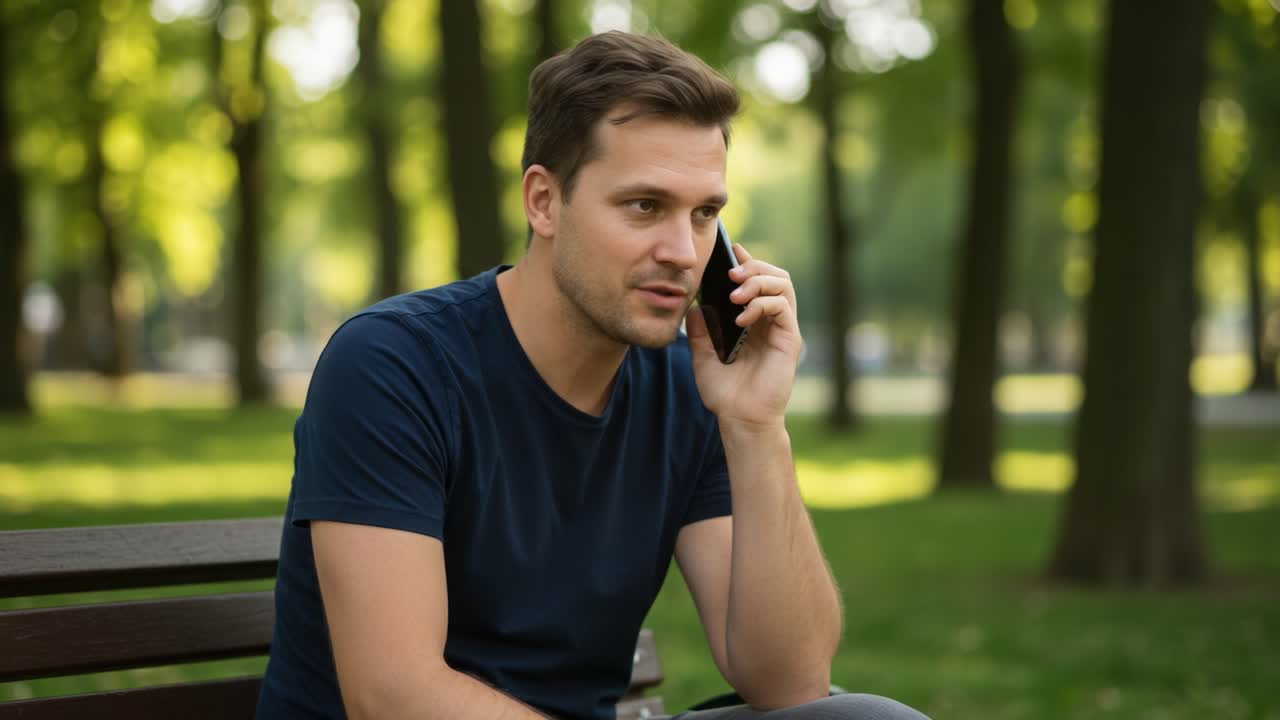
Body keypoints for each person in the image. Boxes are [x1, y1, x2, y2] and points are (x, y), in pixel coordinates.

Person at [255, 30, 929, 720]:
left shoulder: (686, 385)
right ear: (544, 202)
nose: (681, 252)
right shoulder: (393, 365)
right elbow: (393, 696)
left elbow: (791, 684)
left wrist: (756, 426)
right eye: (645, 206)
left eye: (705, 215)